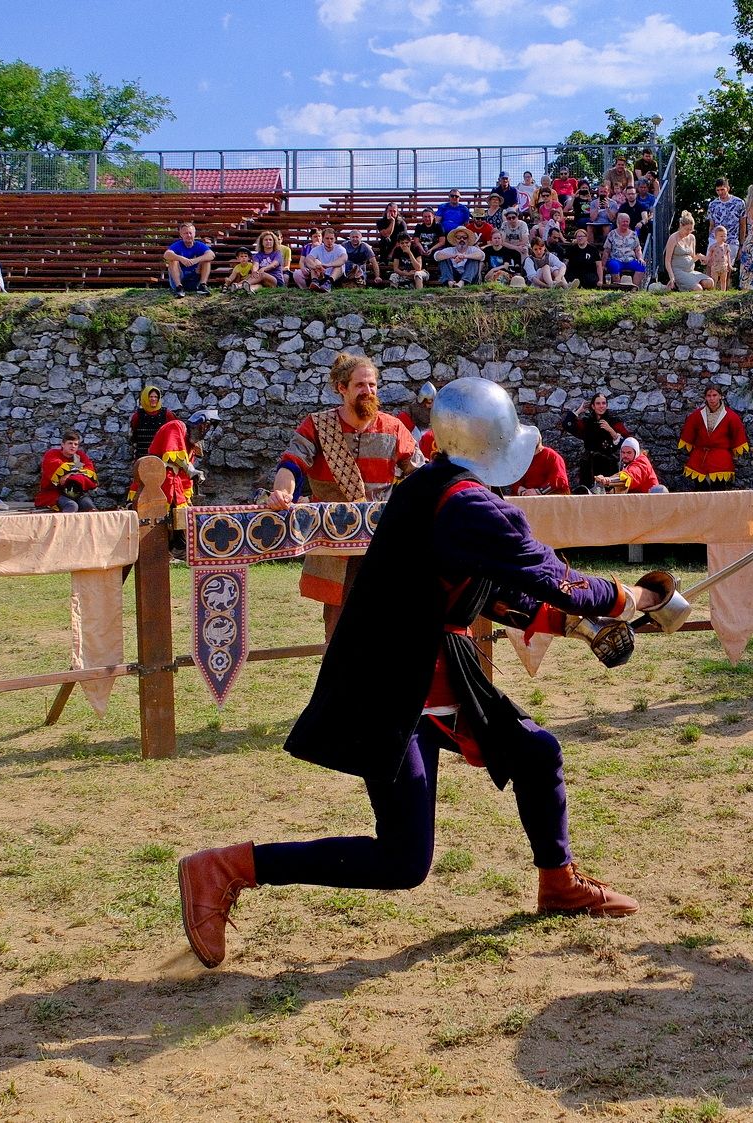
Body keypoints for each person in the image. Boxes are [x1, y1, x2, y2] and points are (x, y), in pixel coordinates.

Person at [175, 378, 673, 970]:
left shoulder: (431, 488)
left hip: (429, 666)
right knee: (402, 861)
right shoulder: (466, 506)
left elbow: (491, 590)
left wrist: (577, 626)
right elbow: (555, 579)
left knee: (536, 752)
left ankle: (558, 882)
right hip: (393, 681)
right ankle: (226, 868)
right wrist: (635, 597)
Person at [267, 353, 421, 639]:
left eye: (372, 385)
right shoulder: (318, 426)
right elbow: (292, 464)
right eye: (360, 385)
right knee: (339, 628)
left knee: (387, 621)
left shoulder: (393, 428)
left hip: (381, 539)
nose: (368, 391)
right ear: (342, 388)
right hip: (333, 540)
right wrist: (282, 492)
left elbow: (421, 474)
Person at [678, 386, 749, 490]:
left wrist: (735, 452)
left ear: (720, 396)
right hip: (700, 458)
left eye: (714, 395)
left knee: (718, 490)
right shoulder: (697, 415)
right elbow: (689, 431)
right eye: (709, 396)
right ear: (705, 397)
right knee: (700, 490)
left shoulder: (731, 416)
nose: (712, 398)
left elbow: (737, 434)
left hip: (720, 458)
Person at [566, 392, 631, 489]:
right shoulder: (587, 422)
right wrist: (580, 410)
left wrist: (611, 431)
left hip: (608, 466)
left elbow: (627, 442)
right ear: (593, 406)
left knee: (607, 492)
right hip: (589, 465)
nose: (601, 406)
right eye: (598, 403)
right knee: (587, 491)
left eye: (603, 403)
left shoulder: (614, 422)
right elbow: (568, 425)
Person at [34, 431, 100, 512]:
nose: (73, 446)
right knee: (72, 506)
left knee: (89, 506)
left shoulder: (80, 456)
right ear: (63, 444)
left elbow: (89, 470)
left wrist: (69, 474)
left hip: (76, 493)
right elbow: (58, 467)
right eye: (70, 443)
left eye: (76, 444)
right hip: (53, 493)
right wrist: (78, 470)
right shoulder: (52, 454)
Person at [662, 212, 713, 291]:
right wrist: (671, 277)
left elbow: (693, 257)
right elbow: (667, 261)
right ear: (681, 226)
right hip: (678, 271)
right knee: (698, 288)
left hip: (690, 270)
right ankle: (678, 285)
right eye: (687, 229)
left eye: (691, 230)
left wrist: (700, 257)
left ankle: (689, 284)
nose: (689, 232)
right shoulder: (673, 238)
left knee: (710, 282)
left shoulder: (692, 237)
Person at [162, 221, 215, 297]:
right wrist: (181, 258)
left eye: (190, 233)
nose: (188, 235)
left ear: (194, 234)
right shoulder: (177, 245)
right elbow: (166, 254)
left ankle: (202, 285)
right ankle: (179, 287)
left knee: (206, 260)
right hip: (180, 277)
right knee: (172, 260)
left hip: (195, 277)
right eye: (186, 233)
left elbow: (211, 255)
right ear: (181, 234)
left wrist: (195, 260)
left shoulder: (199, 245)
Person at [129, 387, 176, 470]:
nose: (153, 399)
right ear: (145, 398)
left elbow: (174, 435)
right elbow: (134, 436)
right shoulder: (137, 416)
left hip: (162, 457)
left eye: (156, 397)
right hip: (143, 455)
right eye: (151, 397)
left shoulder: (167, 415)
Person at [596, 437, 663, 494]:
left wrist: (608, 480)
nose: (625, 455)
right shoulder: (628, 463)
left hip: (650, 501)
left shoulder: (642, 463)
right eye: (623, 452)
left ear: (636, 453)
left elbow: (630, 475)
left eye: (629, 453)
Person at [603, 212, 647, 287]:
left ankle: (634, 288)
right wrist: (603, 264)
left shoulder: (633, 234)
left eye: (627, 221)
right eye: (623, 221)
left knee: (641, 265)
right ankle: (619, 288)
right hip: (616, 259)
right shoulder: (612, 234)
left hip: (630, 259)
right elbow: (607, 251)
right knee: (613, 266)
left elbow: (637, 249)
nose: (625, 223)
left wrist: (640, 258)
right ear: (618, 222)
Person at [704, 225, 734, 290]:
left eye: (724, 236)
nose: (723, 238)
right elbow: (709, 256)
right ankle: (713, 290)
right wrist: (705, 260)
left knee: (723, 280)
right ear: (716, 237)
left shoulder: (726, 246)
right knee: (714, 279)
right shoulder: (713, 246)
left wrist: (729, 265)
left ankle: (723, 291)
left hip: (724, 265)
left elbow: (728, 256)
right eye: (721, 236)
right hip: (715, 265)